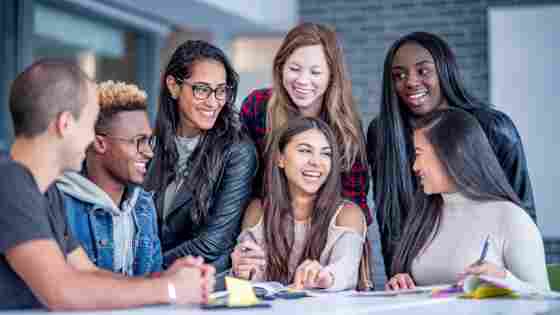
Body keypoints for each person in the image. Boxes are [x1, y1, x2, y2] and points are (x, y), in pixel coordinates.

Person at [0, 60, 214, 310]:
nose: (92, 138)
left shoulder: (46, 192)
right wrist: (170, 289)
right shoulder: (9, 182)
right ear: (65, 124)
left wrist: (164, 279)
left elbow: (87, 274)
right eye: (90, 124)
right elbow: (62, 290)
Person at [367, 31, 536, 276]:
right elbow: (389, 216)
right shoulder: (384, 133)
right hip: (421, 277)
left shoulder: (494, 127)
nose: (410, 82)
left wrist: (508, 275)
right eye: (398, 76)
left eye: (423, 71)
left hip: (486, 278)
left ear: (444, 71)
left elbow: (523, 211)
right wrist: (399, 276)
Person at [386, 109, 548, 291]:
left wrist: (505, 278)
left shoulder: (511, 218)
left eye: (419, 153)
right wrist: (402, 283)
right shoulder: (425, 213)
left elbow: (545, 300)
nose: (415, 166)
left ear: (453, 152)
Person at [240, 22, 371, 224]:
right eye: (294, 68)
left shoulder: (346, 125)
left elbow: (354, 199)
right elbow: (242, 185)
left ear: (331, 76)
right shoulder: (258, 106)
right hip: (266, 225)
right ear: (280, 67)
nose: (303, 80)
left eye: (315, 72)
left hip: (325, 231)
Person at [144, 40, 257, 273]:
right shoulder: (151, 144)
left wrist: (147, 268)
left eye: (221, 90)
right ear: (173, 86)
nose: (214, 101)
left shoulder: (237, 151)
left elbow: (212, 243)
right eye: (202, 89)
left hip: (205, 286)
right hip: (153, 285)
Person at [231, 117, 366, 291]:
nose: (316, 162)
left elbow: (346, 272)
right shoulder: (258, 210)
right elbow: (249, 286)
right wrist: (241, 273)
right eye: (305, 150)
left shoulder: (347, 214)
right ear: (280, 158)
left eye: (325, 153)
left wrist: (325, 278)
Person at [52, 81, 161, 276]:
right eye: (138, 141)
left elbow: (155, 283)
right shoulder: (58, 205)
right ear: (100, 144)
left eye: (149, 141)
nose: (149, 152)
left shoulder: (144, 206)